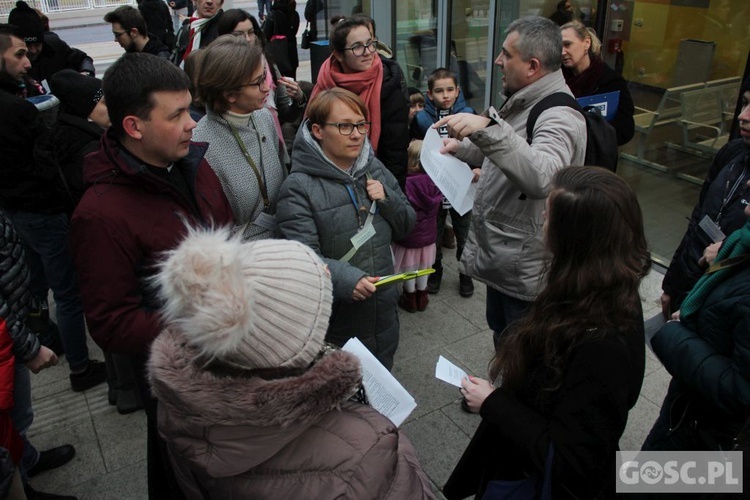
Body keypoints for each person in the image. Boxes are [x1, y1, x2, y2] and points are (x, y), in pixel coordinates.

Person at [147, 229, 435, 498]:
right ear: (292, 344)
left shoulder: (177, 401)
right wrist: (393, 440)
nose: (325, 272)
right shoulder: (366, 448)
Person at [68, 53, 233, 499]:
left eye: (190, 109)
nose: (192, 124)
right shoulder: (100, 215)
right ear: (133, 127)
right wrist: (205, 321)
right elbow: (111, 323)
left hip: (232, 363)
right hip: (178, 384)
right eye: (177, 114)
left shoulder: (195, 164)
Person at [444, 166, 651, 499]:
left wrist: (493, 403)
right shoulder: (597, 288)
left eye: (550, 212)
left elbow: (574, 460)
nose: (542, 216)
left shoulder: (602, 342)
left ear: (574, 238)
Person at [435, 16, 586, 345]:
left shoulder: (558, 115)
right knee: (502, 337)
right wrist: (463, 149)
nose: (498, 61)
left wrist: (486, 129)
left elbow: (543, 177)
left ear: (532, 66)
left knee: (521, 352)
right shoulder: (525, 99)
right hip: (508, 261)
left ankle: (504, 396)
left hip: (527, 272)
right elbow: (510, 154)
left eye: (506, 54)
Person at [0, 24, 107, 394]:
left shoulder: (16, 100)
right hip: (42, 211)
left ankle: (44, 333)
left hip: (17, 212)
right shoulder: (16, 109)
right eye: (18, 54)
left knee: (34, 283)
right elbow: (45, 166)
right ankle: (80, 366)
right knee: (67, 292)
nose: (27, 61)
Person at [276, 88, 415, 370]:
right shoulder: (298, 188)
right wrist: (345, 280)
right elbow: (302, 261)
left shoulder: (374, 168)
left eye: (361, 125)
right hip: (336, 321)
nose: (356, 134)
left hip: (383, 312)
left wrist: (386, 199)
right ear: (317, 130)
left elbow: (408, 225)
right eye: (344, 126)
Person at [643, 180, 750, 453]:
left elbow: (741, 392)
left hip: (710, 442)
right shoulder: (741, 243)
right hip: (689, 415)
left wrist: (672, 334)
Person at [0, 209, 81, 500]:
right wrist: (29, 348)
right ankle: (18, 485)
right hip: (7, 340)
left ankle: (26, 460)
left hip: (12, 335)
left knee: (17, 415)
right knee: (8, 421)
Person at [660, 79, 750, 318]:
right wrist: (671, 285)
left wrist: (730, 252)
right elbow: (698, 219)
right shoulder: (732, 152)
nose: (743, 115)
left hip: (722, 304)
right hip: (689, 277)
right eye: (745, 103)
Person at [193, 36, 286, 241]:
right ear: (229, 94)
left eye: (265, 77)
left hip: (283, 239)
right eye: (257, 82)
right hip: (240, 256)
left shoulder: (264, 118)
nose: (266, 87)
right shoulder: (199, 143)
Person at [311, 16, 410, 189]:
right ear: (338, 55)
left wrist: (392, 195)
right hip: (327, 183)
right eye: (357, 47)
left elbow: (396, 156)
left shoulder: (388, 86)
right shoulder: (323, 84)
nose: (368, 52)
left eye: (370, 43)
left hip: (372, 184)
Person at [411, 67, 477, 298]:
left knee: (464, 234)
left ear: (457, 91)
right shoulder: (421, 119)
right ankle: (435, 271)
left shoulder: (468, 114)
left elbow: (480, 147)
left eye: (450, 90)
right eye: (439, 91)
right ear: (430, 94)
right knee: (434, 234)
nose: (445, 95)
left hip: (461, 185)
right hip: (433, 188)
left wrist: (477, 168)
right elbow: (414, 148)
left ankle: (465, 275)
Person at [216, 9, 307, 149]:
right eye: (238, 34)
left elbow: (286, 114)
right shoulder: (218, 70)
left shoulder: (268, 64)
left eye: (251, 33)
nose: (247, 39)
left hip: (271, 142)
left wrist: (299, 98)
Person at [561, 20, 635, 146]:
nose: (562, 52)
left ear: (587, 43)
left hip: (594, 156)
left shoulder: (611, 82)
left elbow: (625, 129)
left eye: (567, 44)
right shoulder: (556, 78)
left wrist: (592, 137)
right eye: (558, 46)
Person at [392, 140, 442, 313]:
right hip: (428, 236)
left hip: (409, 236)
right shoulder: (436, 180)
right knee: (424, 267)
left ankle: (410, 298)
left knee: (410, 268)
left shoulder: (408, 183)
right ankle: (423, 297)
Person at [8, 1, 95, 84]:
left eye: (37, 45)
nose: (33, 50)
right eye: (28, 46)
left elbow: (84, 59)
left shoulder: (53, 45)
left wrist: (86, 74)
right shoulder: (6, 65)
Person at [104, 6, 171, 59]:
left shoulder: (161, 60)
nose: (115, 39)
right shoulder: (129, 57)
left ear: (134, 32)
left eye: (118, 35)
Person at [174, 0, 224, 65]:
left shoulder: (225, 30)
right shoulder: (184, 31)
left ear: (221, 3)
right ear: (194, 1)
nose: (209, 1)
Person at [262, 0, 300, 79]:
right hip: (291, 53)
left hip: (277, 54)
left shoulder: (273, 14)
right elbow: (294, 32)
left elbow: (266, 34)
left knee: (278, 81)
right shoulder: (294, 14)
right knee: (291, 80)